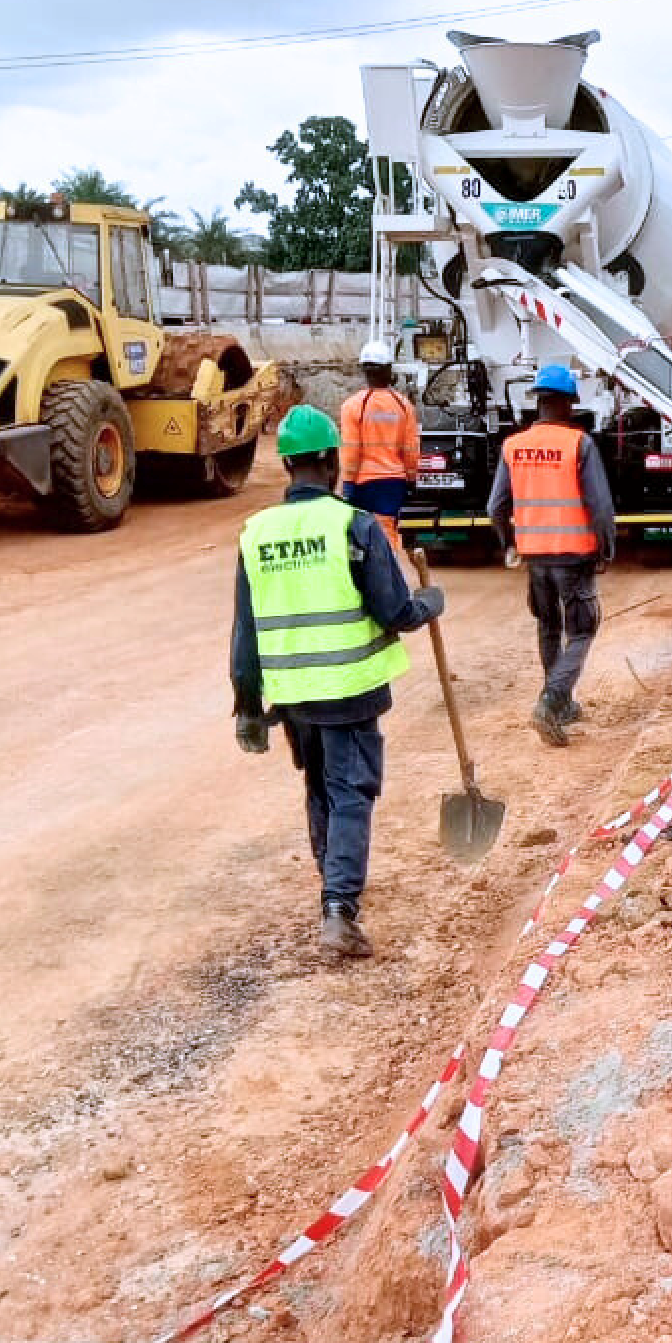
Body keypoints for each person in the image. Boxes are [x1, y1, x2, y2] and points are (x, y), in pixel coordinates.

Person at [232, 405, 445, 959]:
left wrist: (247, 706)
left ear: (285, 463)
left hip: (292, 695)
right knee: (351, 793)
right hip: (347, 688)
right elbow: (395, 610)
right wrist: (429, 602)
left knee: (320, 787)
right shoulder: (354, 526)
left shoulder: (255, 534)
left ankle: (334, 880)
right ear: (330, 462)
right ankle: (339, 913)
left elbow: (244, 631)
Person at [487, 365, 617, 747]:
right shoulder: (580, 444)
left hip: (535, 557)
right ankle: (551, 700)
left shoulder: (513, 446)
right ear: (567, 403)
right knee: (582, 630)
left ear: (539, 402)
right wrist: (606, 547)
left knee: (548, 627)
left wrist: (510, 543)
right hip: (574, 555)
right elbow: (600, 505)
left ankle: (561, 703)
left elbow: (495, 505)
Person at [339, 340, 421, 551]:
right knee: (386, 536)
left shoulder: (353, 406)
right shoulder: (403, 405)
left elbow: (351, 450)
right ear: (389, 370)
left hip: (362, 483)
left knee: (359, 539)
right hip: (393, 483)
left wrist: (348, 484)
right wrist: (411, 479)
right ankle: (387, 577)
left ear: (364, 370)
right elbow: (411, 449)